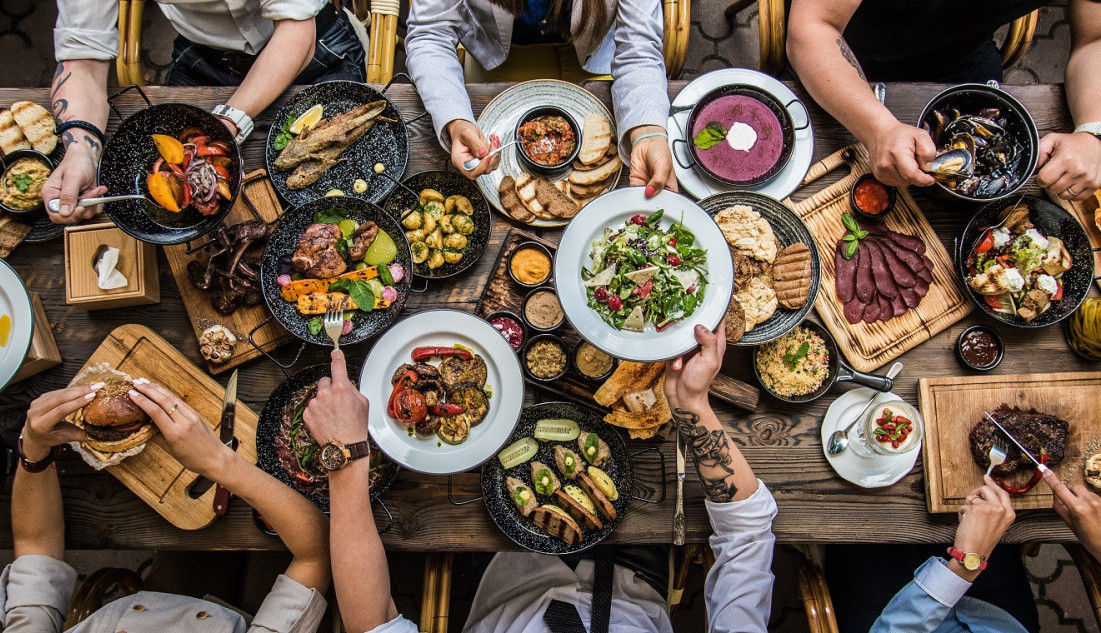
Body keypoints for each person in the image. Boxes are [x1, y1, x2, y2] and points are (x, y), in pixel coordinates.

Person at [302, 322, 777, 632]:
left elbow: (370, 623)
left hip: (506, 570)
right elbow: (748, 533)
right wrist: (693, 406)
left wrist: (345, 457)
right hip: (639, 573)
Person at [2, 380, 330, 632]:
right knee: (269, 554)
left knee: (193, 549)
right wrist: (218, 462)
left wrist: (33, 448)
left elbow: (35, 548)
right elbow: (315, 553)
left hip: (153, 602)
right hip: (259, 613)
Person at [45, 0, 367, 223]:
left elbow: (297, 34)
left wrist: (226, 124)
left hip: (312, 48)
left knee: (337, 197)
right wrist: (80, 152)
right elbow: (82, 61)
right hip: (204, 58)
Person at [786, 0, 1101, 201]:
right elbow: (813, 28)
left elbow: (1094, 39)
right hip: (839, 57)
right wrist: (878, 128)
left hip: (962, 59)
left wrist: (1092, 129)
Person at [404, 0, 677, 198]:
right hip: (499, 57)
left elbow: (638, 50)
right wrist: (455, 118)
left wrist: (647, 133)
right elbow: (430, 34)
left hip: (593, 56)